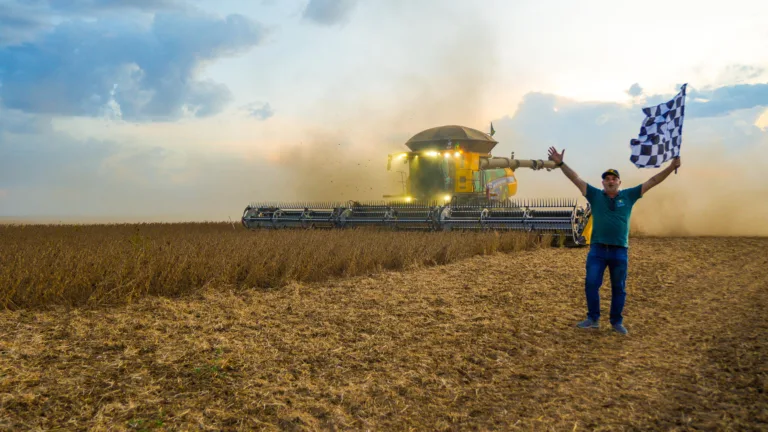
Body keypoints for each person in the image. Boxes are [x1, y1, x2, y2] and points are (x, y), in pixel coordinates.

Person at [547, 147, 681, 335]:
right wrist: (560, 163)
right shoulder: (594, 195)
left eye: (613, 178)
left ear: (619, 182)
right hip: (598, 250)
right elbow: (575, 178)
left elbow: (652, 181)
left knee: (619, 287)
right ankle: (593, 318)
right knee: (591, 283)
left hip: (619, 250)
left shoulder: (629, 195)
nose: (610, 181)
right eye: (607, 179)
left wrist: (671, 166)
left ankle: (616, 322)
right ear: (603, 182)